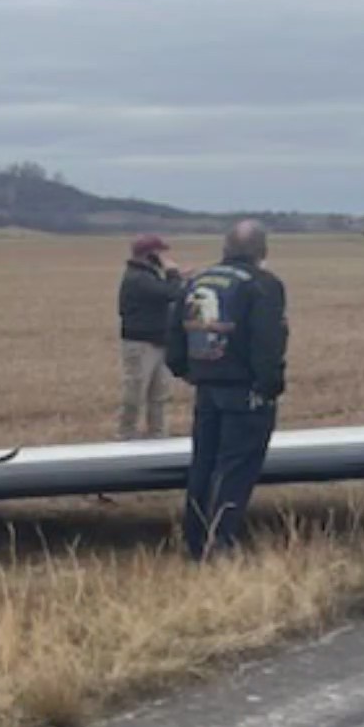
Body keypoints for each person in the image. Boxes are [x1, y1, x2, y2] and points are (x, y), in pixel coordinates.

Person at [165, 219, 288, 560]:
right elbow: (268, 340)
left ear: (225, 250)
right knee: (236, 468)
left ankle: (194, 540)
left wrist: (186, 371)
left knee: (203, 464)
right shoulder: (262, 285)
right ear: (262, 252)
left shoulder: (197, 281)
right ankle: (220, 544)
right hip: (245, 390)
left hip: (206, 387)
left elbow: (174, 336)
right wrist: (269, 387)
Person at [117, 233, 185, 439]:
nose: (165, 256)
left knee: (159, 394)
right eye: (161, 252)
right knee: (135, 392)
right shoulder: (138, 278)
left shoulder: (148, 275)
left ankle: (157, 434)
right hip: (141, 344)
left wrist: (175, 276)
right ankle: (126, 433)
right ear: (150, 254)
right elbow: (170, 293)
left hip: (157, 341)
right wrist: (173, 273)